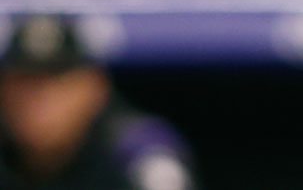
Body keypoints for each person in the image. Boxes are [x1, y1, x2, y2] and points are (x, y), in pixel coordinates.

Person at [0, 14, 196, 190]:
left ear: (94, 87)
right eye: (25, 82)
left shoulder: (141, 155)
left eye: (58, 84)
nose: (39, 100)